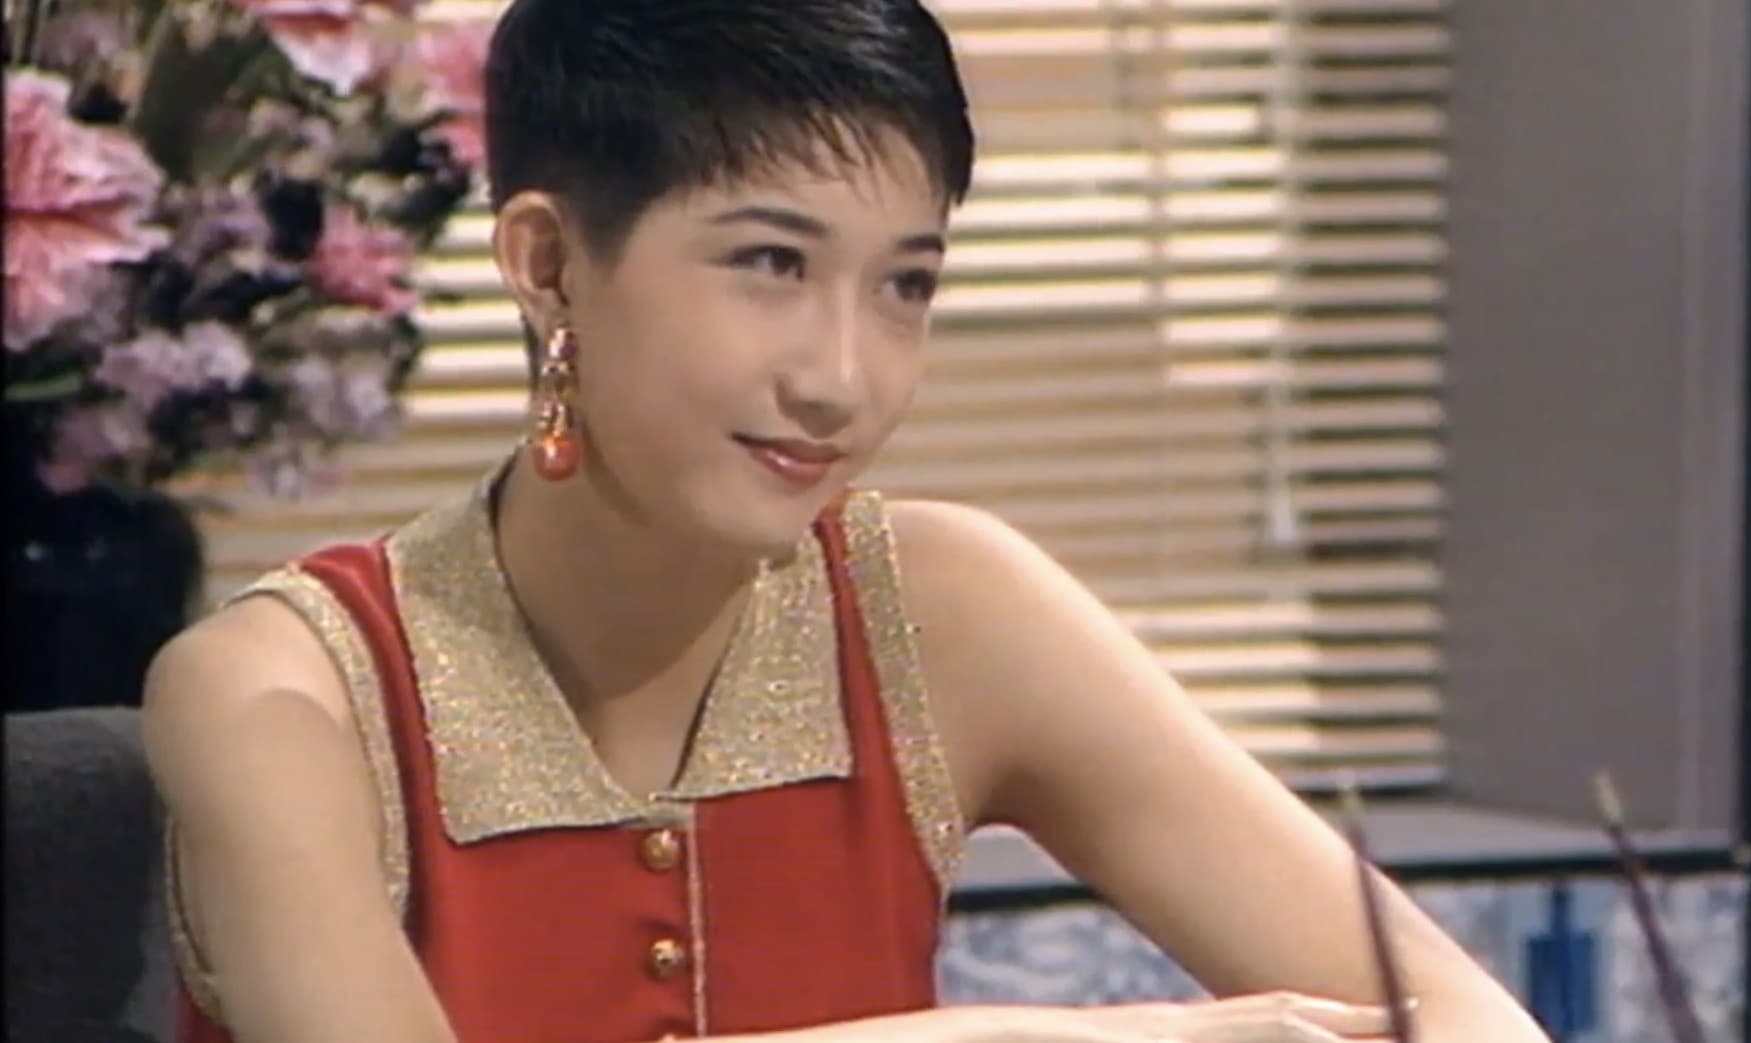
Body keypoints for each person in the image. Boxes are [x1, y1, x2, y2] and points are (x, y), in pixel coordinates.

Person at [141, 2, 1550, 1041]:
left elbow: (1457, 1018)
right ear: (550, 262)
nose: (842, 379)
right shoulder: (281, 696)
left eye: (904, 286)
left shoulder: (941, 608)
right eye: (769, 263)